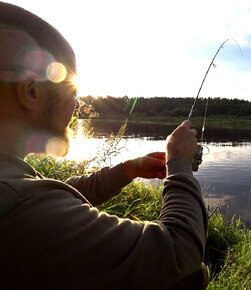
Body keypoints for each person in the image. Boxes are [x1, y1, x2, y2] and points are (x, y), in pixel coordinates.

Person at [0, 2, 207, 289]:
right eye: (72, 91)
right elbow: (178, 251)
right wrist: (180, 163)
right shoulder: (19, 208)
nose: (77, 104)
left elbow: (52, 195)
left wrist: (127, 169)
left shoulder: (13, 186)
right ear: (31, 91)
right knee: (190, 278)